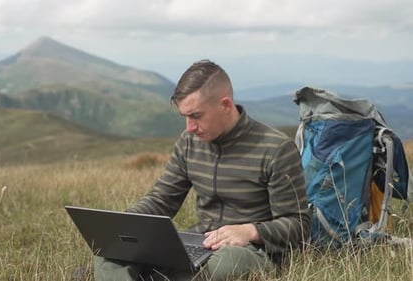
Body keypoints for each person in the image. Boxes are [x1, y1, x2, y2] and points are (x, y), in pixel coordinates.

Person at [93, 59, 311, 280]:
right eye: (185, 117)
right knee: (110, 254)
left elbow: (299, 225)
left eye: (196, 115)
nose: (189, 127)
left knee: (226, 265)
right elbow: (162, 200)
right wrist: (123, 225)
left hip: (247, 252)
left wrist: (249, 231)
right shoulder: (189, 143)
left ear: (225, 105)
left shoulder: (276, 149)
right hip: (197, 243)